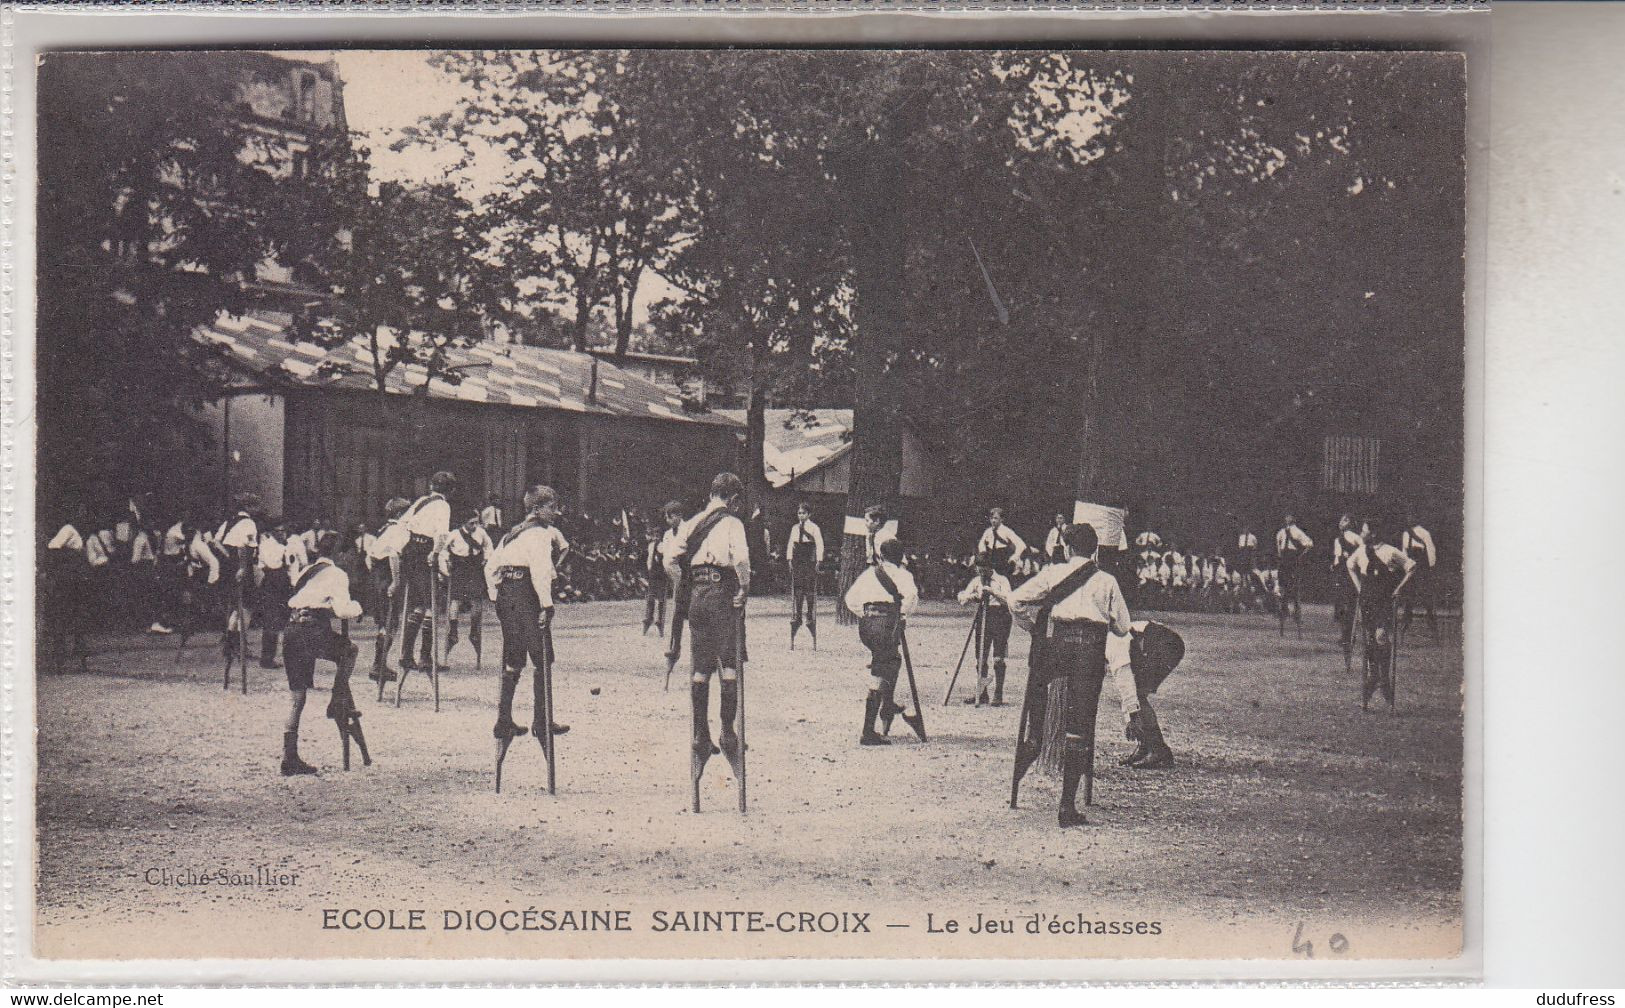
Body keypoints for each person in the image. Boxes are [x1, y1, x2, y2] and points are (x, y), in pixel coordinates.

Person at [1006, 523, 1132, 828]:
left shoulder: (1052, 573)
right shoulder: (1107, 580)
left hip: (1056, 645)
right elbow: (1123, 627)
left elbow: (1015, 600)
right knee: (1081, 721)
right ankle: (1067, 805)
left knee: (1039, 684)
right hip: (1090, 648)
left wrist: (1032, 626)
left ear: (1067, 548)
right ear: (1095, 549)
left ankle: (1035, 736)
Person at [664, 473, 752, 762]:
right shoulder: (732, 523)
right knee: (729, 664)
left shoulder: (691, 523)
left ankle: (700, 734)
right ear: (734, 499)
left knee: (700, 667)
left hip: (697, 598)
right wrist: (744, 587)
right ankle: (727, 731)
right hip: (722, 594)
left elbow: (670, 559)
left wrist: (683, 585)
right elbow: (739, 559)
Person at [485, 485, 572, 742]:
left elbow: (490, 567)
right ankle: (541, 722)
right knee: (542, 658)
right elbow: (541, 571)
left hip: (507, 595)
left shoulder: (512, 534)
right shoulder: (539, 535)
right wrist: (546, 605)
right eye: (552, 508)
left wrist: (496, 596)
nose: (555, 513)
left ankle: (504, 721)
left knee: (513, 660)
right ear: (537, 509)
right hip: (527, 595)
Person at [279, 530, 364, 776]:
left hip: (292, 629)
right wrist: (357, 607)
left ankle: (289, 757)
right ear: (341, 553)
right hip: (312, 629)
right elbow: (342, 608)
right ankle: (337, 700)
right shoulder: (338, 574)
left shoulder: (308, 572)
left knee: (297, 699)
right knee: (349, 651)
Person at [844, 536, 921, 744]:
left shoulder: (869, 574)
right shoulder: (904, 575)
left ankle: (888, 706)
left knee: (890, 662)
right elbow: (912, 599)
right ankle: (868, 730)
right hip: (888, 625)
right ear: (900, 556)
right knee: (883, 668)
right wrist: (901, 615)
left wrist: (866, 615)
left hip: (868, 625)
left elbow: (850, 599)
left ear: (881, 555)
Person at [1345, 519, 1417, 707]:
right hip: (1367, 602)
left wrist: (1399, 589)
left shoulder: (1390, 551)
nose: (1361, 534)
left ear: (1373, 534)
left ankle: (1383, 679)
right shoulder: (1361, 551)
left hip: (1384, 602)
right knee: (1370, 640)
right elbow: (1349, 565)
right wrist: (1359, 588)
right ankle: (1374, 677)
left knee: (1381, 637)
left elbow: (1411, 566)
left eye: (1364, 531)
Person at [397, 472, 456, 679]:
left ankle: (406, 654)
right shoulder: (443, 506)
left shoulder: (421, 501)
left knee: (418, 605)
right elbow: (442, 534)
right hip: (424, 552)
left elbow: (402, 523)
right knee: (431, 604)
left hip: (410, 550)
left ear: (431, 485)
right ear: (451, 491)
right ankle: (424, 656)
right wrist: (435, 552)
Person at [1108, 620, 1184, 769]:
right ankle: (1147, 747)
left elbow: (1125, 683)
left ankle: (1156, 750)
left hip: (1165, 644)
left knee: (1137, 697)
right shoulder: (1112, 637)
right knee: (1137, 696)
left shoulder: (1112, 643)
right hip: (1160, 640)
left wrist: (1130, 718)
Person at [956, 551, 1012, 706]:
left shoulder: (1001, 580)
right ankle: (982, 693)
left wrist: (993, 592)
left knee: (998, 657)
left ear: (990, 568)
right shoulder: (976, 581)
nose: (981, 573)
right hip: (983, 617)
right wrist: (971, 597)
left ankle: (998, 694)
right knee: (981, 656)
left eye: (983, 570)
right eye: (978, 570)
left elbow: (1010, 600)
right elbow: (962, 598)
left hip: (1000, 617)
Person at [365, 497, 411, 683]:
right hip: (387, 576)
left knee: (385, 623)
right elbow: (393, 555)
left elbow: (369, 557)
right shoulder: (398, 530)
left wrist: (376, 576)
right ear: (400, 514)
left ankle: (380, 663)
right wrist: (395, 581)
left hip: (378, 575)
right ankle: (378, 665)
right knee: (390, 623)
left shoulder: (383, 529)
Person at [443, 511, 494, 661]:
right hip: (459, 568)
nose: (474, 526)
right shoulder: (454, 534)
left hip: (475, 568)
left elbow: (488, 546)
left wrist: (486, 558)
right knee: (455, 600)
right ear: (463, 523)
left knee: (476, 600)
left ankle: (474, 631)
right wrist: (447, 562)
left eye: (476, 522)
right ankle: (453, 631)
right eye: (471, 523)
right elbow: (444, 549)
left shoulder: (481, 533)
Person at [216, 495, 261, 663]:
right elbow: (244, 546)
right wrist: (242, 567)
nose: (257, 510)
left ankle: (230, 644)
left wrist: (228, 557)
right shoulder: (249, 523)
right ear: (249, 507)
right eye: (255, 506)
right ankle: (241, 645)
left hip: (230, 567)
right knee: (247, 607)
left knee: (236, 607)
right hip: (243, 566)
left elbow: (216, 541)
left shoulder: (229, 522)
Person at [256, 519, 294, 670]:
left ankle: (283, 656)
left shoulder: (284, 545)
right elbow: (273, 564)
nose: (282, 534)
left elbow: (290, 564)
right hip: (271, 581)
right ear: (272, 532)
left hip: (283, 583)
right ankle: (266, 658)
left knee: (283, 621)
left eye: (284, 531)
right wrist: (284, 550)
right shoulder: (267, 545)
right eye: (279, 531)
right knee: (271, 621)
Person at [786, 502, 824, 646]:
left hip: (809, 557)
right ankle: (798, 613)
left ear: (809, 514)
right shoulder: (795, 528)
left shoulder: (814, 528)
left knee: (809, 587)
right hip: (798, 557)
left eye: (803, 513)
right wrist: (789, 558)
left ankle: (809, 614)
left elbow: (819, 543)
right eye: (799, 513)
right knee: (798, 587)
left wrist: (819, 559)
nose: (800, 515)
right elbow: (790, 543)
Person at [644, 502, 682, 636]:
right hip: (662, 572)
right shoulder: (663, 538)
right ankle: (653, 620)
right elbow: (658, 554)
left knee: (661, 598)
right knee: (658, 598)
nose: (668, 521)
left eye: (669, 517)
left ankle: (657, 620)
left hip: (670, 571)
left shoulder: (685, 531)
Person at [1399, 515, 1439, 636]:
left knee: (1426, 596)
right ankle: (1406, 621)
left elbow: (1431, 550)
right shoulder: (1406, 534)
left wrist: (1431, 567)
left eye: (1412, 516)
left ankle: (1431, 622)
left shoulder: (1424, 533)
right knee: (1408, 596)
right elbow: (1404, 551)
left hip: (1422, 567)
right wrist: (1405, 565)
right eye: (1408, 517)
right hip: (1411, 566)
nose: (1410, 519)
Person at [1330, 514, 1364, 648]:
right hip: (1341, 572)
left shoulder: (1356, 538)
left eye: (1345, 520)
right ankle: (1345, 634)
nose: (1341, 522)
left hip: (1351, 571)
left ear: (1350, 522)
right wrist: (1334, 566)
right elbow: (1337, 557)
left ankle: (1348, 635)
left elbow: (1363, 552)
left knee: (1350, 604)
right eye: (1341, 520)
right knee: (1341, 604)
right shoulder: (1337, 539)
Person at [1274, 514, 1314, 623]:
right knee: (1282, 584)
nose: (1288, 519)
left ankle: (1296, 612)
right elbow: (1278, 545)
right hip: (1284, 559)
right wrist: (1280, 556)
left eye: (1290, 517)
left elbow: (1309, 543)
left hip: (1293, 559)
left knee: (1294, 585)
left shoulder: (1298, 532)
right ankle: (1284, 609)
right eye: (1286, 517)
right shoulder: (1281, 532)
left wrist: (1301, 555)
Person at [975, 507, 1026, 575]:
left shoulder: (1007, 531)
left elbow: (1021, 545)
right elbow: (981, 543)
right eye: (991, 518)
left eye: (996, 518)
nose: (993, 521)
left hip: (1002, 559)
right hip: (990, 559)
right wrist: (983, 552)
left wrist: (1013, 558)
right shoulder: (988, 531)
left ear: (1001, 519)